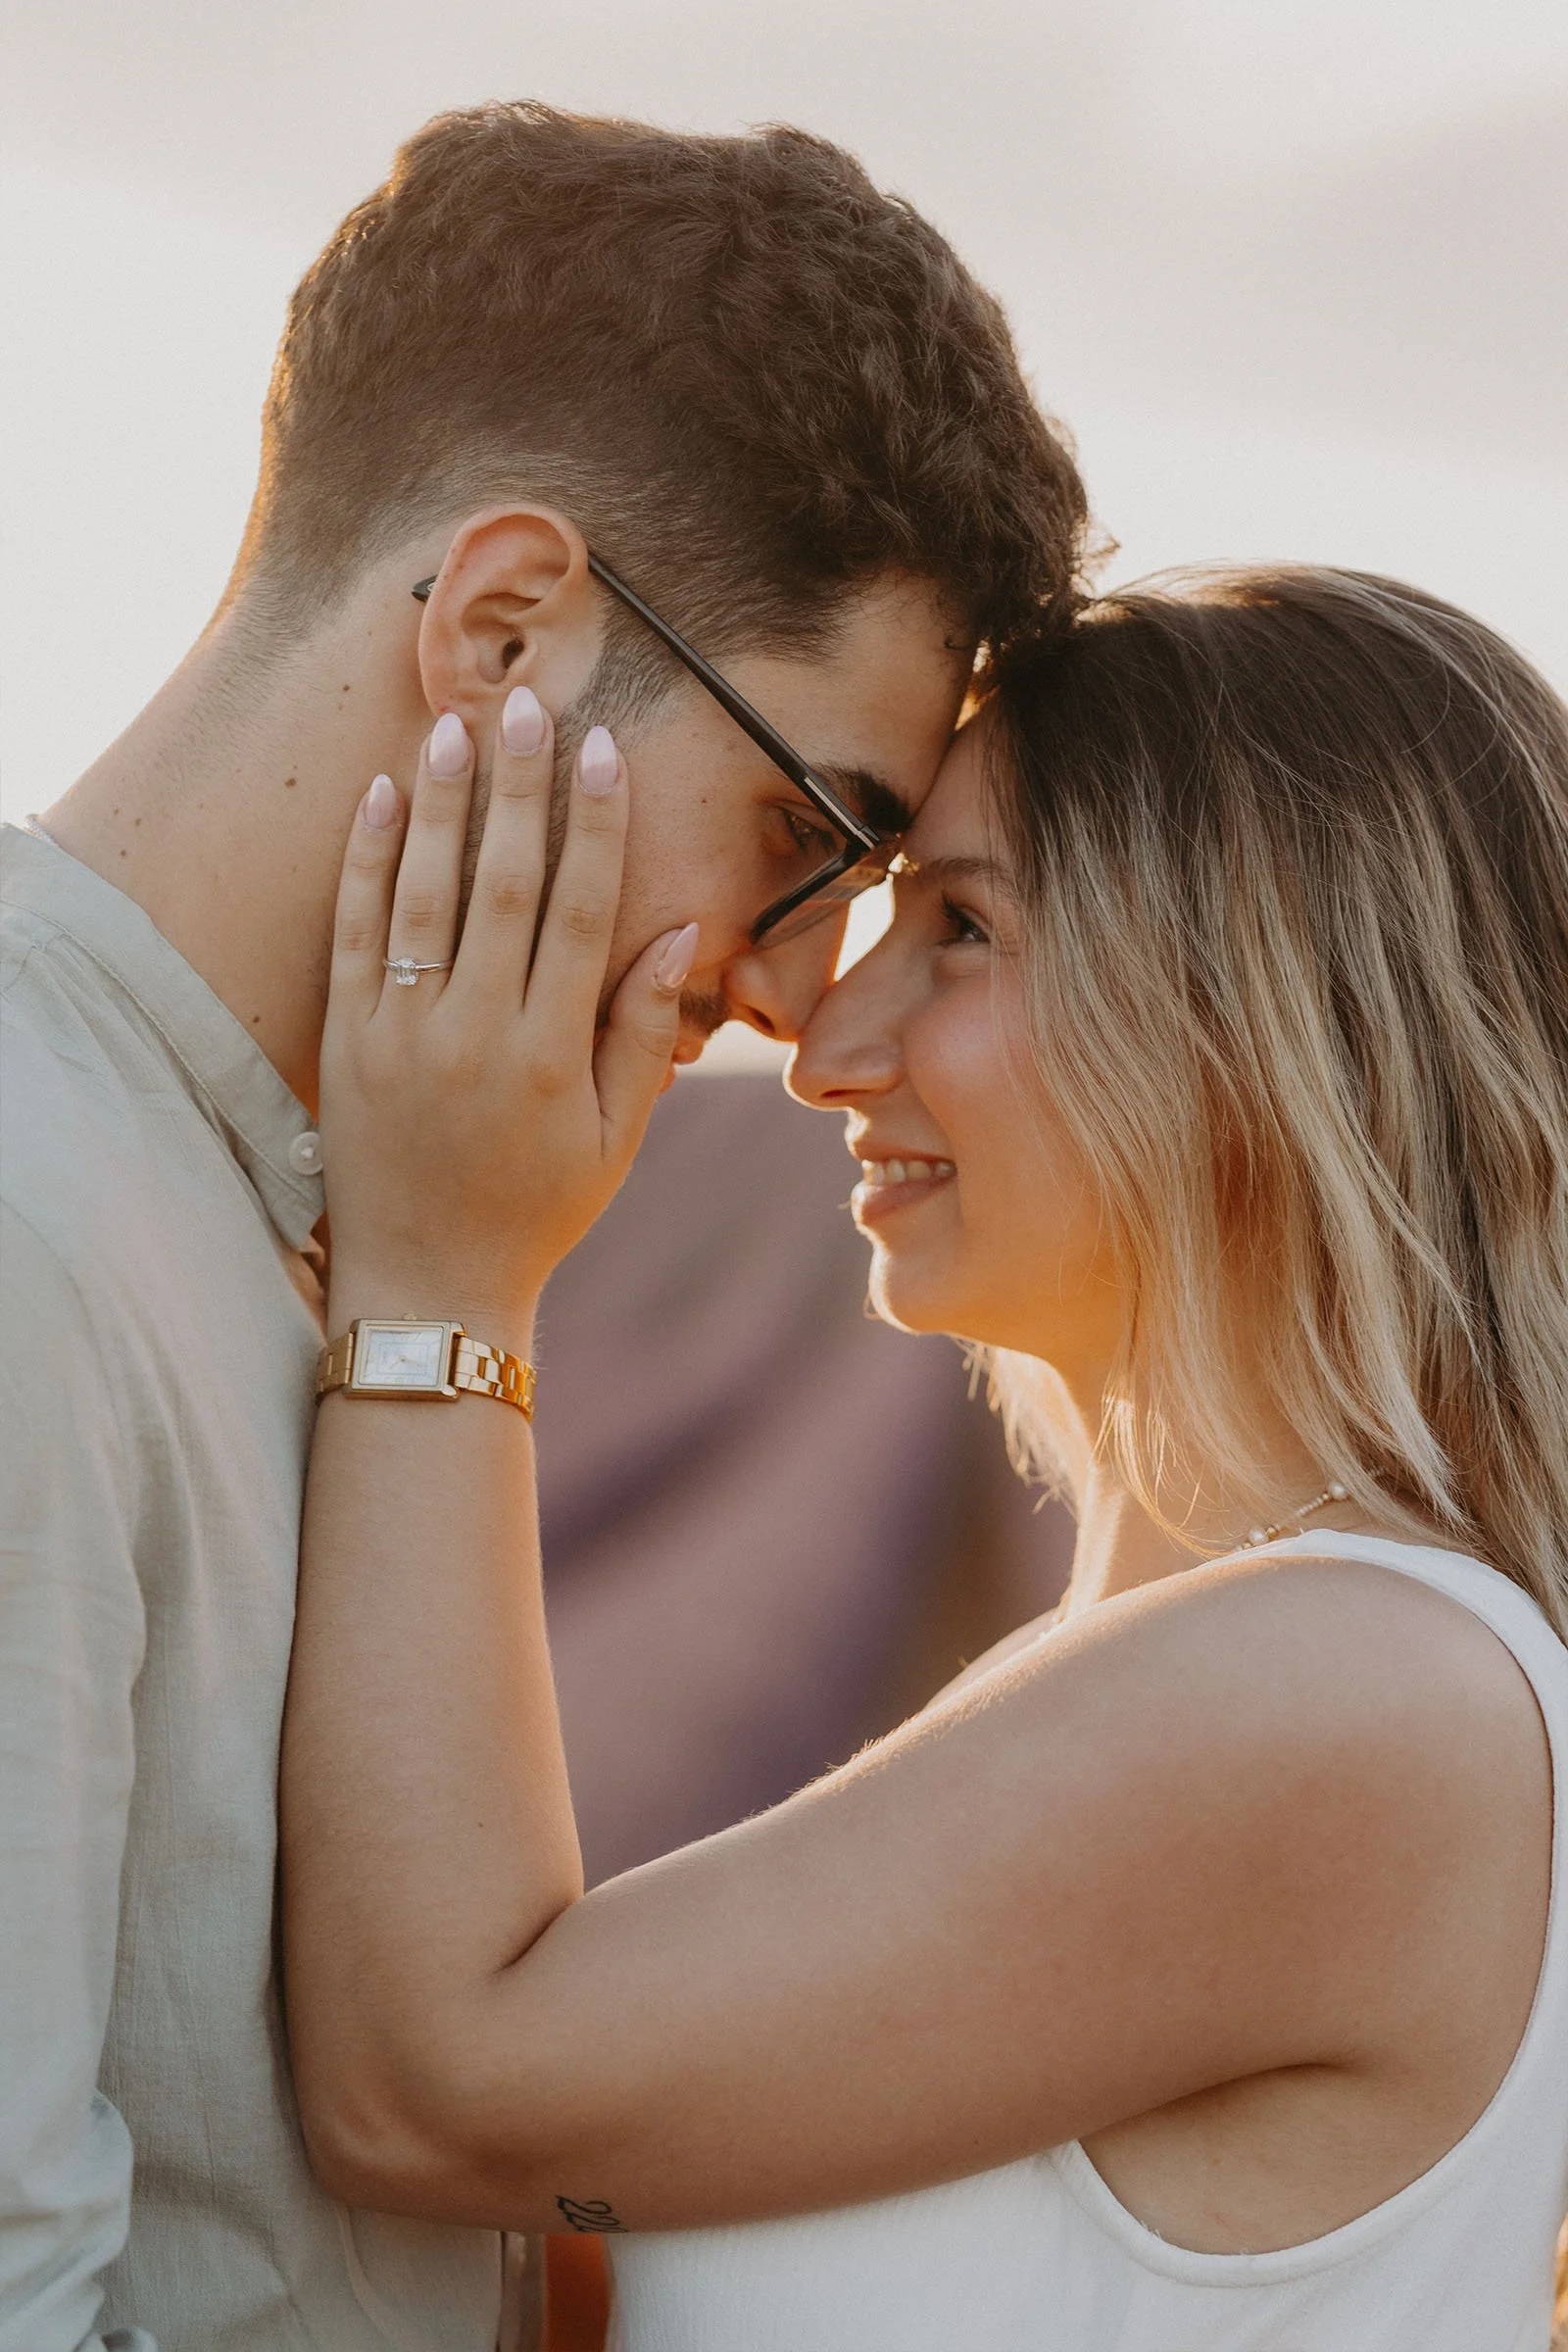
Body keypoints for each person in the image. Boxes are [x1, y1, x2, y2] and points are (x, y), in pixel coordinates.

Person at [0, 100, 1086, 2351]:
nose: (798, 999)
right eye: (808, 832)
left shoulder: (307, 1226)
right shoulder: (30, 1222)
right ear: (505, 630)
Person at [280, 565, 1568, 2351]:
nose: (826, 1040)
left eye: (962, 928)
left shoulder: (1348, 1690)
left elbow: (432, 2096)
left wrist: (442, 1273)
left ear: (1267, 1019)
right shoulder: (1246, 1670)